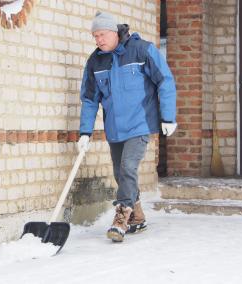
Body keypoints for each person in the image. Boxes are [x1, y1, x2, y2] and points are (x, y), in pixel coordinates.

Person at [77, 11, 177, 242]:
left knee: (127, 168)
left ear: (114, 33)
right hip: (115, 129)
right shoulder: (95, 61)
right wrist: (85, 132)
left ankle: (121, 218)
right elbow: (90, 99)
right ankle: (138, 217)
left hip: (140, 124)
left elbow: (165, 81)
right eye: (95, 36)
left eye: (101, 34)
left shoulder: (142, 50)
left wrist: (168, 117)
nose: (98, 40)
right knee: (120, 174)